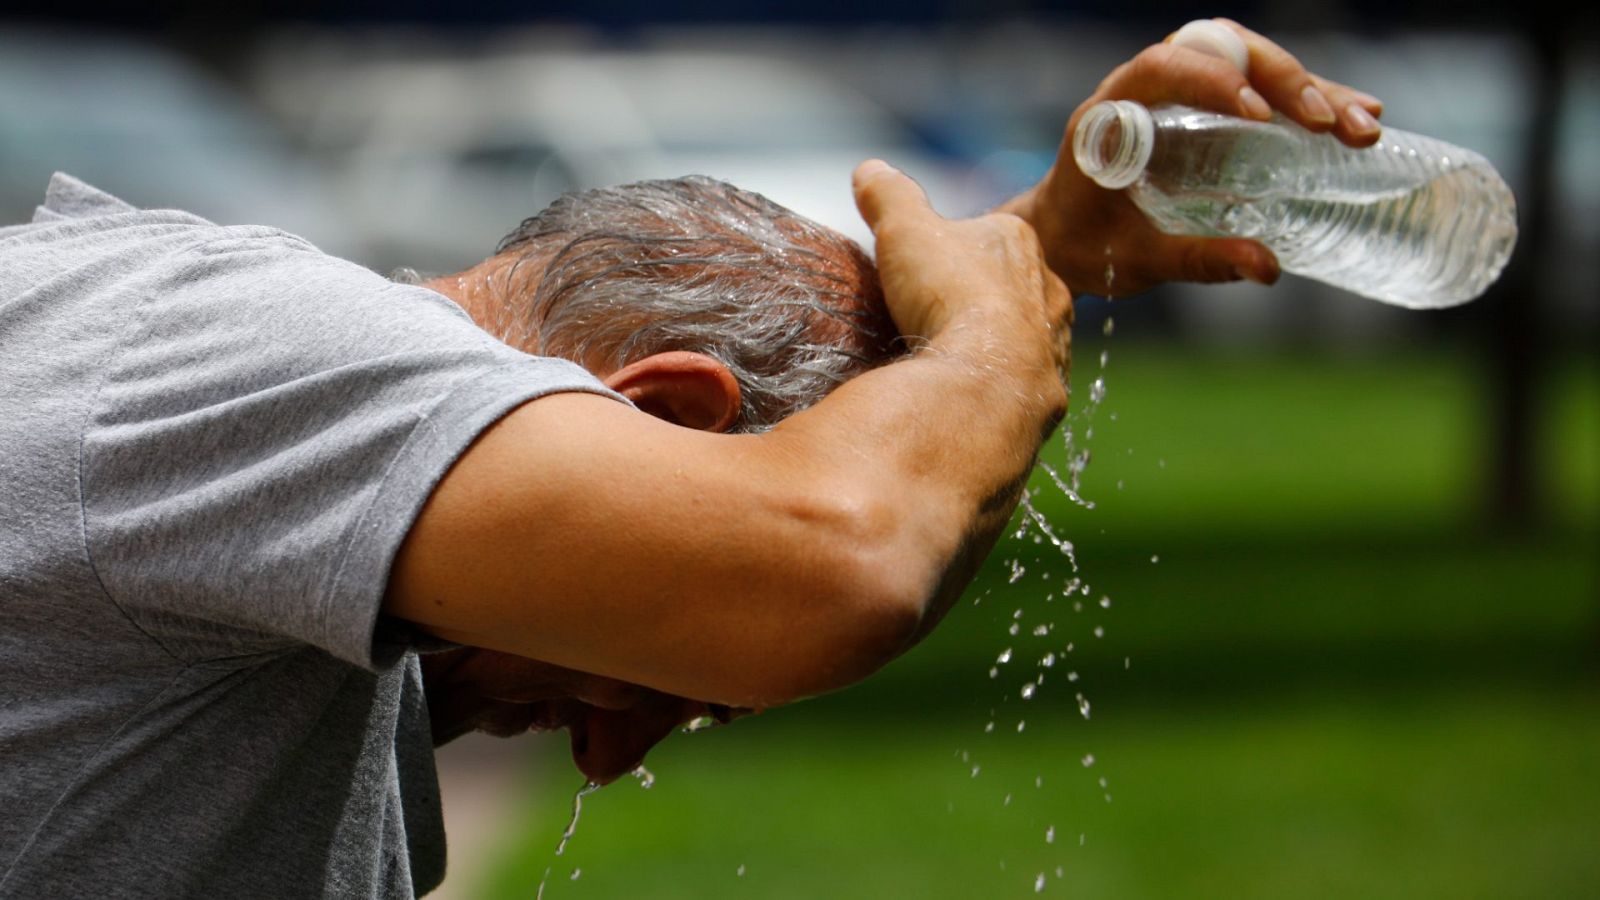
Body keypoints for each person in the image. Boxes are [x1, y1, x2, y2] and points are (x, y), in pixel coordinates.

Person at [0, 19, 1383, 898]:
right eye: (674, 679)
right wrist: (989, 338)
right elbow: (832, 568)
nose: (610, 755)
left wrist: (1036, 258)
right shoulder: (269, 354)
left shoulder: (261, 476)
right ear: (662, 418)